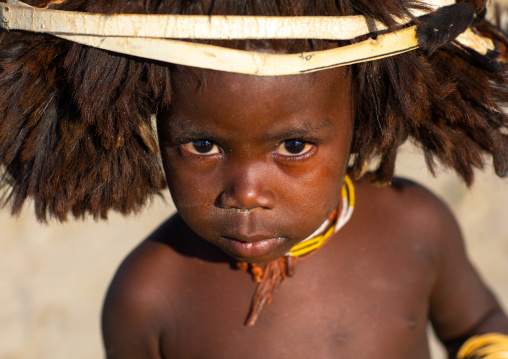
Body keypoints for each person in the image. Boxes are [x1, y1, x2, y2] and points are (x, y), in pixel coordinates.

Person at [1, 0, 508, 358]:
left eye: (293, 146)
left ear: (362, 118)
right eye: (203, 145)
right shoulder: (149, 296)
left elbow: (477, 324)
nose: (245, 192)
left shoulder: (415, 227)